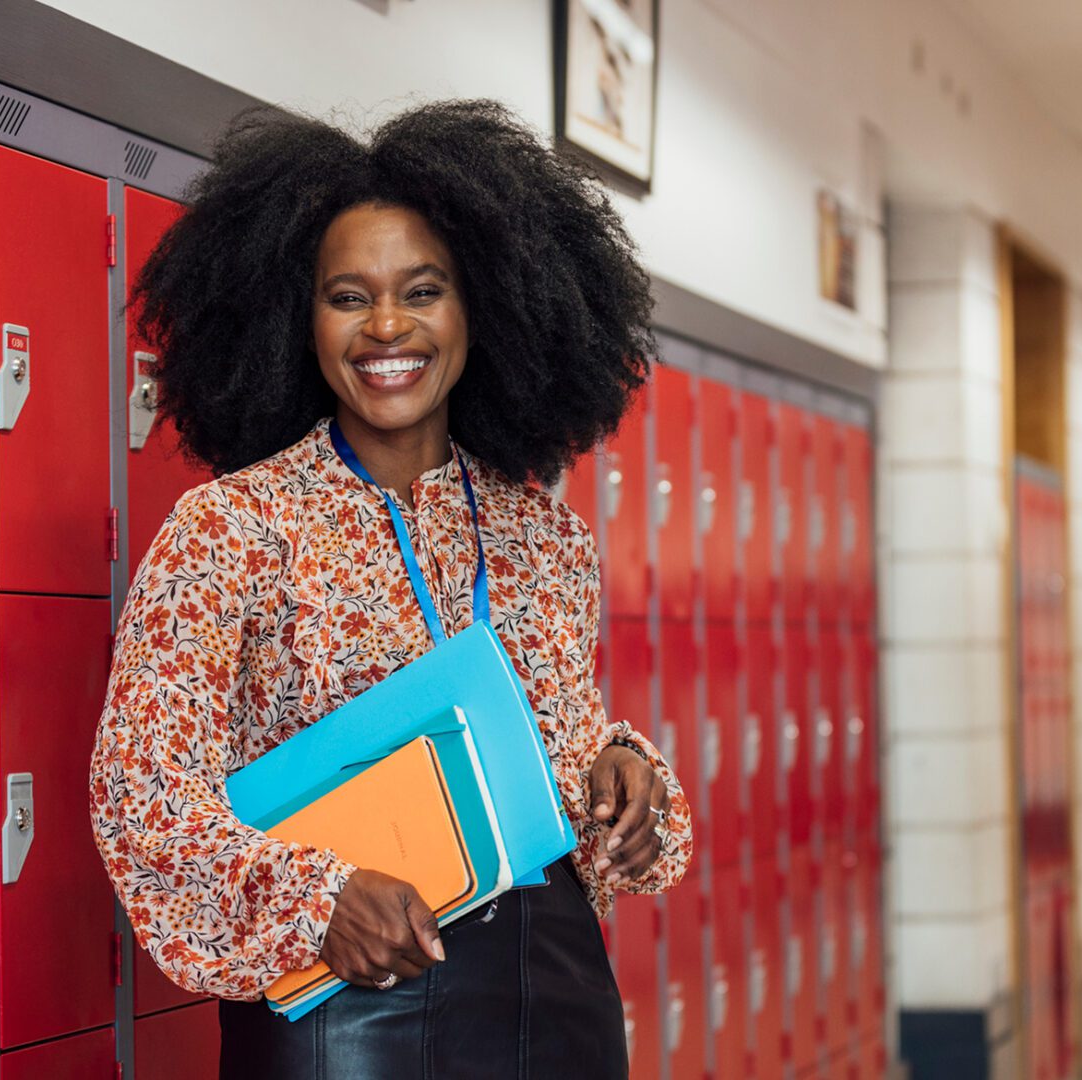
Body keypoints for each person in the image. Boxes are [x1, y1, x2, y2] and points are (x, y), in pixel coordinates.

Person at [90, 99, 693, 1078]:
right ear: (299, 316)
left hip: (552, 1004)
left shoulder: (543, 537)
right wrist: (318, 896)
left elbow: (562, 738)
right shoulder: (230, 532)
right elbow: (143, 795)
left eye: (422, 290)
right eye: (345, 296)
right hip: (342, 1018)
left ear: (482, 304)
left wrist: (618, 780)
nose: (385, 327)